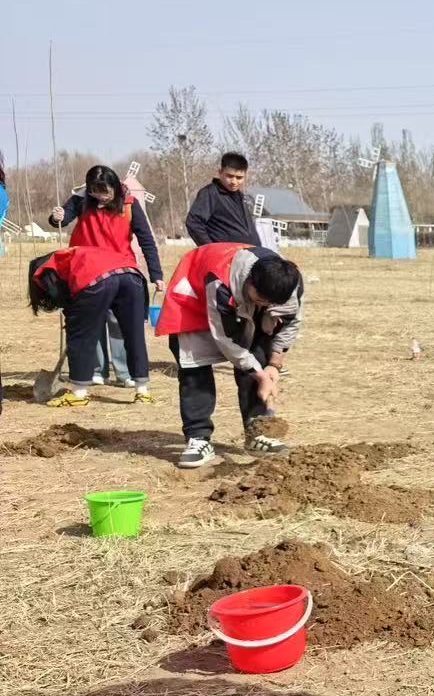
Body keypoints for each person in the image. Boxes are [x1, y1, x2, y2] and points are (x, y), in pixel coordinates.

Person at [154, 242, 303, 469]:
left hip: (240, 303)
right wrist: (260, 375)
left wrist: (273, 365)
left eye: (271, 303)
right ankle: (198, 438)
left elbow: (291, 323)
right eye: (261, 299)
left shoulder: (288, 284)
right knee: (194, 365)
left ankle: (258, 431)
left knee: (259, 356)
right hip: (194, 297)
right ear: (250, 283)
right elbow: (224, 339)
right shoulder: (220, 284)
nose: (264, 305)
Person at [49, 164, 165, 386]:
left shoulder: (130, 206)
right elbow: (61, 221)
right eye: (94, 191)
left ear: (115, 188)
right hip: (87, 273)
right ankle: (96, 371)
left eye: (105, 192)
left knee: (120, 323)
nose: (99, 196)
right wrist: (57, 217)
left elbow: (146, 240)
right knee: (92, 322)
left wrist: (156, 274)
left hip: (120, 270)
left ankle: (124, 373)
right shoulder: (81, 202)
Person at [27, 245, 155, 407]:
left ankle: (78, 394)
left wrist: (75, 324)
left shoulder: (45, 269)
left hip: (97, 279)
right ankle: (142, 392)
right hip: (132, 276)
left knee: (80, 337)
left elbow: (66, 302)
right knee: (133, 335)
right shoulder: (74, 254)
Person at [185, 153, 263, 247]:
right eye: (230, 176)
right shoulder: (210, 193)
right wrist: (211, 248)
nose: (234, 182)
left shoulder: (240, 197)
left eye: (239, 178)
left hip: (250, 255)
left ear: (245, 176)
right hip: (226, 256)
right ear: (220, 172)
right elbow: (194, 223)